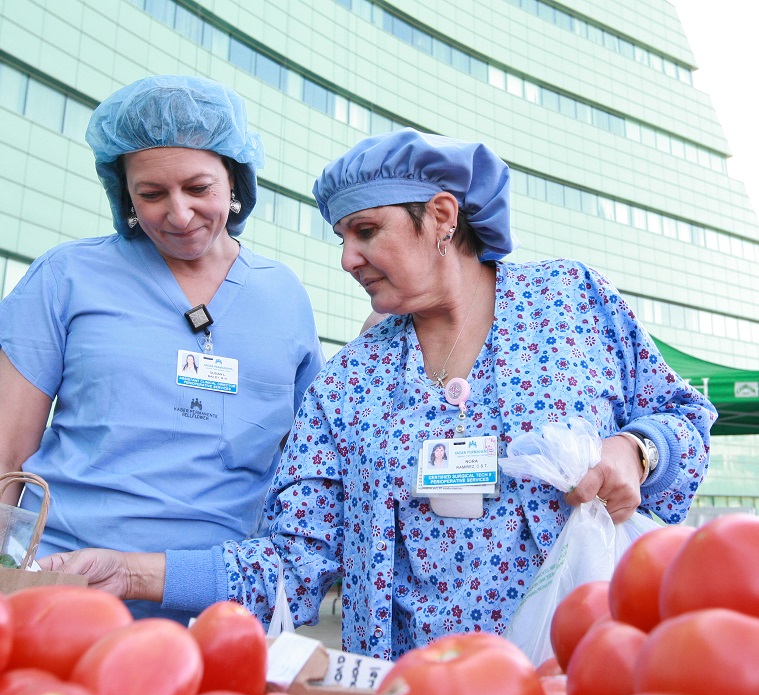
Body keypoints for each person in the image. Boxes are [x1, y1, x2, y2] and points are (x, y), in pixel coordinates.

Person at [40, 128, 716, 658]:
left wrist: (637, 449)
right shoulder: (347, 384)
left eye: (366, 232)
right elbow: (293, 562)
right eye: (342, 238)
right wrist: (130, 574)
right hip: (410, 693)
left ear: (442, 215)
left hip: (582, 667)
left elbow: (682, 414)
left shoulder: (571, 301)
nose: (346, 259)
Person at [1, 75, 324, 621]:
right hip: (62, 589)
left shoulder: (284, 296)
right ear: (123, 194)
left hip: (216, 605)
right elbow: (8, 454)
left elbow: (304, 463)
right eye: (151, 194)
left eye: (199, 188)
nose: (178, 214)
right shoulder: (66, 276)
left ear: (235, 181)